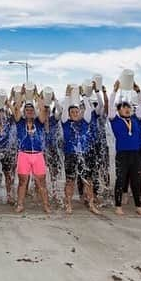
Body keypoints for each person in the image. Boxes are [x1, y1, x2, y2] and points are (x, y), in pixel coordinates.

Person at [108, 80, 141, 216]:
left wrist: (138, 92)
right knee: (121, 179)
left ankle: (138, 206)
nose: (127, 109)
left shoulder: (135, 120)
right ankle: (118, 206)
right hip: (122, 154)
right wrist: (114, 91)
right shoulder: (115, 120)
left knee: (136, 181)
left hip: (136, 154)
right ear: (119, 110)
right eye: (124, 107)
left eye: (129, 107)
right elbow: (110, 107)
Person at [61, 87, 100, 215]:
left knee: (88, 181)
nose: (74, 113)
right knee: (70, 181)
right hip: (71, 155)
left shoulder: (85, 122)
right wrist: (67, 95)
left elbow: (88, 108)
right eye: (72, 111)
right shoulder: (66, 123)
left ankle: (91, 204)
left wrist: (84, 94)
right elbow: (65, 113)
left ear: (80, 112)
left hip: (85, 155)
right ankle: (68, 204)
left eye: (76, 111)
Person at [12, 85, 50, 214]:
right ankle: (20, 204)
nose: (29, 111)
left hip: (38, 155)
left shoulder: (39, 122)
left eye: (31, 110)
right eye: (27, 109)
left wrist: (36, 95)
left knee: (41, 182)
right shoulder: (20, 122)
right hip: (24, 155)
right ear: (24, 111)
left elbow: (44, 110)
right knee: (23, 181)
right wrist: (21, 95)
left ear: (34, 111)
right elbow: (16, 109)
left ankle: (46, 205)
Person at [0, 103, 16, 204]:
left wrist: (8, 103)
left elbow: (16, 114)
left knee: (8, 174)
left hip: (7, 151)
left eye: (2, 111)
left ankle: (9, 195)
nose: (0, 114)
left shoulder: (9, 122)